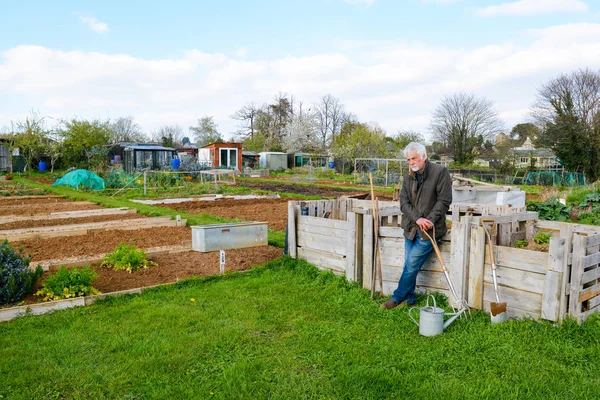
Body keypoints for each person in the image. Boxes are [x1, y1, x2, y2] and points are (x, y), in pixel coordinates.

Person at [381, 142, 452, 309]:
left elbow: (444, 200)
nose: (411, 162)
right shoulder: (408, 177)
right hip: (411, 228)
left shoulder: (440, 173)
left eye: (414, 158)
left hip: (429, 231)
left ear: (424, 157)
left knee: (411, 264)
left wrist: (429, 220)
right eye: (408, 159)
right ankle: (410, 298)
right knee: (409, 264)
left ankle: (397, 298)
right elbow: (404, 204)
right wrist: (418, 218)